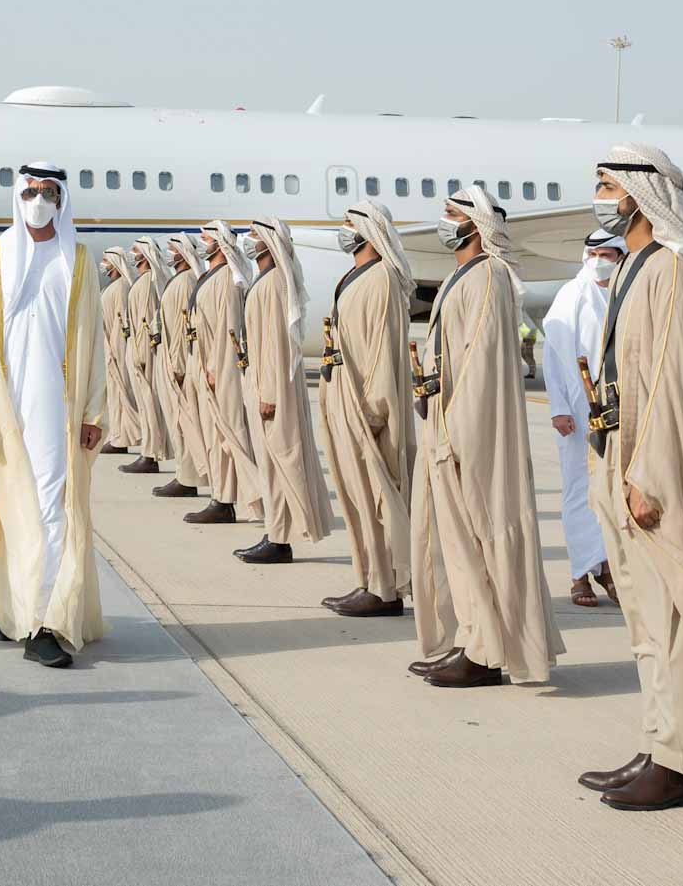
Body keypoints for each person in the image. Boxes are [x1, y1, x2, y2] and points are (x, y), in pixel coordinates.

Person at [578, 143, 683, 812]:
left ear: (639, 193)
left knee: (673, 616)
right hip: (620, 460)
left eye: (607, 186)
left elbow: (673, 383)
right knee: (646, 620)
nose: (600, 198)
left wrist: (647, 476)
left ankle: (678, 765)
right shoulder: (633, 268)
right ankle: (656, 742)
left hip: (654, 473)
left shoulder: (672, 268)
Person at [0, 163, 107, 668]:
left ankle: (46, 623)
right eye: (32, 191)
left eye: (49, 193)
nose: (39, 200)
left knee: (52, 506)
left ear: (62, 201)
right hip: (1, 406)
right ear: (19, 195)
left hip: (57, 411)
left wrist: (94, 410)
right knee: (6, 503)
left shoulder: (78, 262)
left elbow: (97, 344)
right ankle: (14, 603)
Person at [404, 186, 563, 688]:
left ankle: (490, 653)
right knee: (456, 544)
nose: (444, 221)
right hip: (445, 425)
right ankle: (475, 640)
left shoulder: (490, 276)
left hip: (470, 434)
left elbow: (479, 363)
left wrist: (456, 430)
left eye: (452, 213)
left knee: (484, 536)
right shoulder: (458, 275)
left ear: (475, 222)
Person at [318, 201, 415, 618]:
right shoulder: (357, 275)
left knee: (379, 497)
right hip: (345, 397)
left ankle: (386, 588)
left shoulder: (382, 280)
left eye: (348, 224)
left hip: (366, 407)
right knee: (357, 496)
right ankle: (369, 579)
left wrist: (374, 408)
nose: (343, 231)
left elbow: (382, 349)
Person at [233, 218, 334, 564]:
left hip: (270, 392)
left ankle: (281, 537)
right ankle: (275, 534)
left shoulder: (275, 282)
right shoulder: (264, 280)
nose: (248, 241)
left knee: (281, 463)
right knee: (270, 465)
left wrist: (270, 393)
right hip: (260, 384)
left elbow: (278, 343)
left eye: (254, 236)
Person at [541, 230, 623, 607]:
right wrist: (558, 406)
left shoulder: (626, 292)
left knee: (612, 490)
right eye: (594, 252)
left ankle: (607, 566)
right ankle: (580, 574)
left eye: (608, 253)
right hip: (576, 409)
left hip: (618, 407)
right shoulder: (571, 295)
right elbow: (554, 356)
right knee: (579, 489)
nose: (600, 259)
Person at [185, 221, 262, 525]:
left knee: (226, 434)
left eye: (206, 238)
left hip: (220, 369)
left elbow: (228, 329)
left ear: (219, 243)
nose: (202, 243)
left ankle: (228, 499)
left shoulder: (227, 280)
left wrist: (217, 368)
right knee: (213, 435)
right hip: (205, 366)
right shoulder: (211, 276)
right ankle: (221, 493)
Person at [152, 234, 206, 499]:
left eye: (172, 249)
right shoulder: (179, 280)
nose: (168, 253)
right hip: (170, 360)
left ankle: (188, 478)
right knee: (177, 422)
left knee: (185, 422)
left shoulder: (185, 283)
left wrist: (179, 364)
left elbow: (183, 328)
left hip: (178, 363)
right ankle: (182, 473)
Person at [119, 238, 172, 476]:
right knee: (144, 403)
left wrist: (142, 353)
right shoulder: (141, 282)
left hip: (144, 355)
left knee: (150, 404)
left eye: (136, 251)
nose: (132, 254)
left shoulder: (149, 283)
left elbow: (148, 322)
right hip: (137, 352)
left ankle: (150, 455)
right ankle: (147, 451)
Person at [97, 248, 141, 455]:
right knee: (115, 396)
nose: (103, 263)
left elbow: (122, 322)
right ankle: (119, 437)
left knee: (123, 393)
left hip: (117, 348)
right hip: (108, 348)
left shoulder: (122, 287)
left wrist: (115, 348)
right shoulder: (111, 287)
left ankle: (131, 434)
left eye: (106, 260)